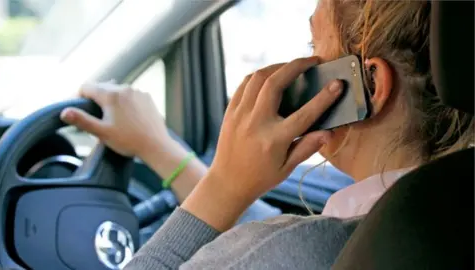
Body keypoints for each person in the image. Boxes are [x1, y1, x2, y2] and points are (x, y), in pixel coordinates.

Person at [60, 0, 474, 269]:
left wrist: (223, 185)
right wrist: (162, 150)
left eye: (316, 43)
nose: (301, 61)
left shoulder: (293, 252)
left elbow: (276, 248)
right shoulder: (447, 220)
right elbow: (278, 238)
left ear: (369, 83)